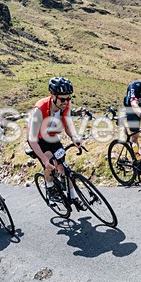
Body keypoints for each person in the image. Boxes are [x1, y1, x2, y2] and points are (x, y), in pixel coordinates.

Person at [27, 76, 82, 204]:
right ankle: (50, 188)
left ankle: (74, 196)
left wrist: (74, 137)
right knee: (50, 162)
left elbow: (68, 125)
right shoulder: (39, 110)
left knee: (64, 166)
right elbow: (32, 139)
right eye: (62, 99)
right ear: (52, 95)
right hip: (37, 138)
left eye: (69, 98)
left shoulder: (65, 104)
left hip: (51, 136)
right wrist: (45, 160)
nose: (66, 102)